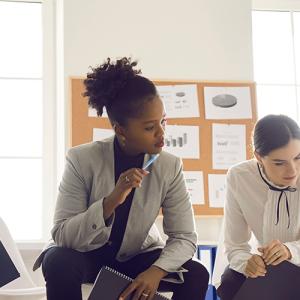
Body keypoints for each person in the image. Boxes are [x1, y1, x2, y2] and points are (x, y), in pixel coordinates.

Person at [33, 57, 209, 300]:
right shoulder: (81, 159)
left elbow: (184, 237)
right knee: (57, 260)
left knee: (196, 273)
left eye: (163, 121)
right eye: (149, 127)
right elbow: (63, 235)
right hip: (87, 256)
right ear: (121, 130)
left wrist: (156, 271)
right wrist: (111, 201)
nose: (161, 133)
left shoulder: (170, 166)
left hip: (138, 257)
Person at [217, 114, 300, 300]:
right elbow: (235, 244)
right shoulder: (239, 177)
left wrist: (290, 251)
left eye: (298, 157)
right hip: (266, 266)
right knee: (230, 281)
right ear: (259, 157)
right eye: (279, 163)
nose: (293, 170)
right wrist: (247, 262)